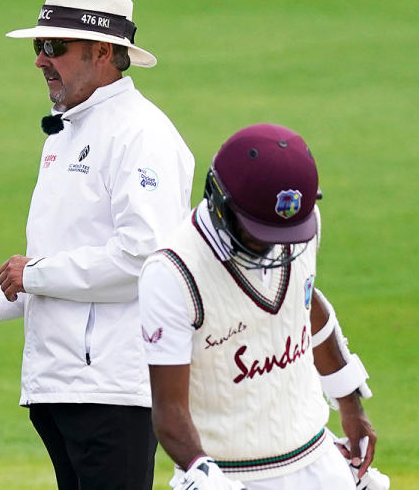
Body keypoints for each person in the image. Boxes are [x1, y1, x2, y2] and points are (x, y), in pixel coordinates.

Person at [0, 0, 195, 489]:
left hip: (112, 389)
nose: (40, 60)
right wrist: (0, 298)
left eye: (54, 46)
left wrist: (31, 276)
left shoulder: (141, 133)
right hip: (61, 384)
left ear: (103, 52)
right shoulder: (70, 130)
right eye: (39, 46)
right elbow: (67, 254)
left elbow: (146, 259)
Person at [139, 124, 388, 489]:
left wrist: (350, 401)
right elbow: (168, 408)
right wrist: (204, 475)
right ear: (220, 201)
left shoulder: (300, 226)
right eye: (260, 233)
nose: (275, 248)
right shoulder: (171, 274)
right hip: (230, 475)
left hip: (317, 459)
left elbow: (304, 303)